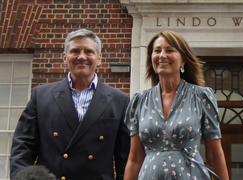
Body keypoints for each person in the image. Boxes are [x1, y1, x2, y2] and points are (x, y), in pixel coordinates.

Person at [10, 29, 131, 180]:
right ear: (64, 57)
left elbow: (125, 159)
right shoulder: (41, 96)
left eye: (88, 51)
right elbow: (23, 146)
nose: (82, 56)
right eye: (75, 51)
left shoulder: (120, 100)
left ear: (99, 59)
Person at [123, 31, 229, 180]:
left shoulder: (201, 97)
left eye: (170, 50)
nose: (162, 55)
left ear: (183, 60)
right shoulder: (139, 101)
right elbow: (135, 159)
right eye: (157, 50)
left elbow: (214, 154)